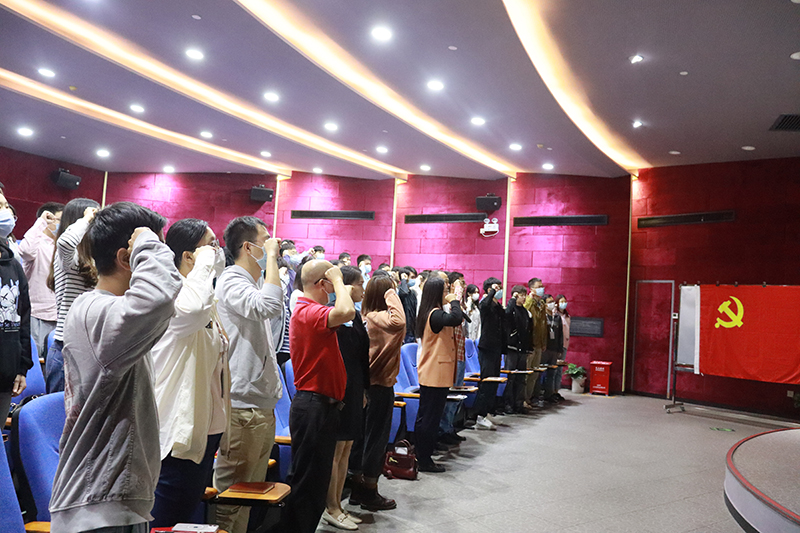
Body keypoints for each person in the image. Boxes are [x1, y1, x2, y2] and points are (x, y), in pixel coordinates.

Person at [49, 202, 181, 533]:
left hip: (111, 501)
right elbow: (159, 297)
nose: (161, 258)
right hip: (99, 504)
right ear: (126, 258)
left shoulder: (106, 311)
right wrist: (148, 241)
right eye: (151, 251)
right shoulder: (99, 313)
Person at [150, 219, 230, 527]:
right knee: (166, 518)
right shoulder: (175, 294)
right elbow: (191, 311)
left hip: (206, 427)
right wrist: (205, 263)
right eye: (211, 245)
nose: (217, 251)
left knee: (183, 516)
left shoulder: (203, 294)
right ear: (187, 256)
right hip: (176, 429)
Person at [212, 216, 283, 533]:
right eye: (266, 240)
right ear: (248, 247)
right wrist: (272, 258)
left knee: (249, 494)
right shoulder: (232, 280)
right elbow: (268, 305)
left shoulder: (250, 283)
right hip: (242, 406)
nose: (272, 245)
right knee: (233, 496)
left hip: (258, 404)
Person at [283, 260, 355, 533]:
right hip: (313, 405)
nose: (335, 290)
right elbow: (347, 311)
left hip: (321, 406)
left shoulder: (311, 310)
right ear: (322, 284)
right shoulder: (306, 311)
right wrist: (337, 279)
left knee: (315, 483)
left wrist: (335, 280)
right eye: (331, 284)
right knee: (307, 485)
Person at [349, 273, 405, 512]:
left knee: (362, 438)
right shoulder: (380, 318)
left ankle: (357, 489)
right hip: (379, 386)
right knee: (376, 439)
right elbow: (399, 320)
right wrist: (390, 289)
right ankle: (369, 490)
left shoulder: (366, 316)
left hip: (367, 385)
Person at [323, 266, 369, 531]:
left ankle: (339, 505)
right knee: (336, 450)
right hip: (338, 389)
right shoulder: (334, 314)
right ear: (347, 286)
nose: (363, 289)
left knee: (347, 449)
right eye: (360, 283)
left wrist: (363, 390)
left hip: (354, 386)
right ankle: (330, 506)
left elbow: (362, 355)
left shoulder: (356, 315)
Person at [46, 198, 100, 393]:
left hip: (86, 349)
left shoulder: (91, 258)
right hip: (67, 350)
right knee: (61, 410)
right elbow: (66, 241)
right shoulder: (68, 258)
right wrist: (86, 219)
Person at [414, 274, 462, 472]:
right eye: (444, 291)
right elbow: (456, 318)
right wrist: (455, 301)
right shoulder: (434, 314)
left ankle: (424, 454)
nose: (446, 294)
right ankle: (424, 459)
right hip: (434, 372)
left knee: (429, 416)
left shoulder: (432, 312)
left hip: (436, 371)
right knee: (430, 418)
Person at [17, 202, 63, 359]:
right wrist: (41, 222)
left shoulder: (63, 246)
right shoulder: (37, 243)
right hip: (37, 314)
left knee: (54, 362)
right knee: (35, 361)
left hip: (58, 316)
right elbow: (25, 251)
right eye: (61, 220)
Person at [0, 199, 31, 419]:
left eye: (5, 206)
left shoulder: (13, 266)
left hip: (5, 376)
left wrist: (22, 368)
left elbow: (23, 318)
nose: (6, 212)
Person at [439, 275, 468, 445]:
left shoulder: (458, 304)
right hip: (451, 355)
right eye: (460, 283)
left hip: (460, 352)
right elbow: (454, 317)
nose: (463, 286)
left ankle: (449, 427)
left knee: (456, 394)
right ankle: (443, 430)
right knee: (449, 395)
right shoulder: (446, 305)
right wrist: (456, 291)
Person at [474, 277, 506, 430]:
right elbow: (484, 306)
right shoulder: (484, 303)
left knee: (494, 382)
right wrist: (492, 292)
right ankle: (479, 416)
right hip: (486, 347)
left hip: (496, 347)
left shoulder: (496, 305)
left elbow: (504, 316)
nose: (500, 290)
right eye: (497, 287)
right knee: (486, 382)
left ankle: (488, 412)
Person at [504, 285, 532, 414]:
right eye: (521, 295)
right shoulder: (511, 309)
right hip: (512, 347)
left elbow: (529, 330)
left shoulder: (525, 312)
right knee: (511, 377)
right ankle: (508, 404)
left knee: (521, 378)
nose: (524, 298)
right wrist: (512, 300)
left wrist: (529, 347)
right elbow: (507, 316)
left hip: (522, 348)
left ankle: (518, 403)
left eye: (525, 295)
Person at [523, 277, 548, 407]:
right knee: (526, 374)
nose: (541, 289)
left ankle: (529, 398)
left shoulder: (541, 304)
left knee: (534, 374)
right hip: (530, 343)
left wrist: (544, 342)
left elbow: (544, 325)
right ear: (531, 289)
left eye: (542, 286)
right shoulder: (528, 301)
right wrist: (530, 299)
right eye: (539, 287)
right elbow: (524, 312)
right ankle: (522, 399)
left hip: (539, 343)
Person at [541, 294, 564, 404]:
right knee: (540, 373)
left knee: (552, 373)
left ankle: (549, 394)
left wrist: (560, 349)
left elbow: (560, 335)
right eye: (549, 302)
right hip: (544, 348)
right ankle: (537, 395)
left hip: (554, 349)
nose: (552, 304)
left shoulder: (557, 317)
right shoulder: (542, 317)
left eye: (552, 302)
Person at [396, 267, 418, 343]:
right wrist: (403, 280)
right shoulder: (399, 291)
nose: (413, 280)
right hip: (404, 328)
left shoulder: (413, 293)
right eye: (412, 277)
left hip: (412, 328)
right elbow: (404, 293)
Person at [555, 294, 570, 400]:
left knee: (560, 370)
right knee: (554, 369)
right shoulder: (555, 314)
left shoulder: (567, 316)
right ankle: (551, 391)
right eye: (561, 301)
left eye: (565, 301)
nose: (564, 303)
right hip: (556, 345)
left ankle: (557, 391)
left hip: (565, 344)